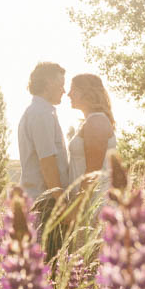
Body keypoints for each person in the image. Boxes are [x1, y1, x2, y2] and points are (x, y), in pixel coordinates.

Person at [17, 61, 69, 199]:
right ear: (48, 83)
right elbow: (47, 162)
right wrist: (61, 204)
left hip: (40, 198)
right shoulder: (42, 114)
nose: (64, 91)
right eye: (61, 85)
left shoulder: (36, 111)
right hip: (46, 201)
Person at [66, 73, 116, 186]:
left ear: (86, 93)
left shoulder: (96, 121)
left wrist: (79, 202)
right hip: (87, 199)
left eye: (73, 90)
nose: (69, 94)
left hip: (94, 200)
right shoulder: (89, 121)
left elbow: (93, 173)